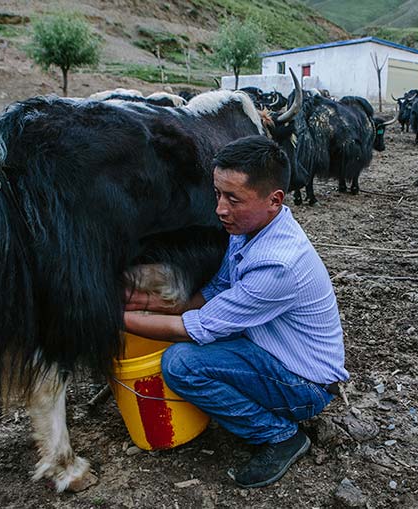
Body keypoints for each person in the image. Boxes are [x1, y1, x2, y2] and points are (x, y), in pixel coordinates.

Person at [123, 135, 349, 488]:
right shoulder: (248, 229)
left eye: (233, 199)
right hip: (275, 357)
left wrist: (110, 318)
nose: (220, 209)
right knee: (187, 351)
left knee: (181, 363)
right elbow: (215, 292)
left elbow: (196, 327)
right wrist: (147, 303)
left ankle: (280, 436)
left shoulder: (277, 265)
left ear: (274, 200)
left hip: (306, 385)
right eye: (217, 194)